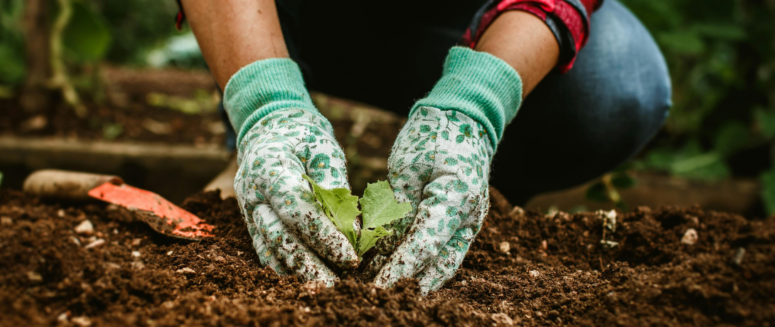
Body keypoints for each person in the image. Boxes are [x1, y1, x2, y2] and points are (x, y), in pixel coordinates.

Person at [179, 0, 670, 294]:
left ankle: (482, 189)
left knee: (618, 78)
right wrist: (267, 106)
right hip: (301, 15)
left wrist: (474, 104)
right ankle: (257, 149)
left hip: (468, 18)